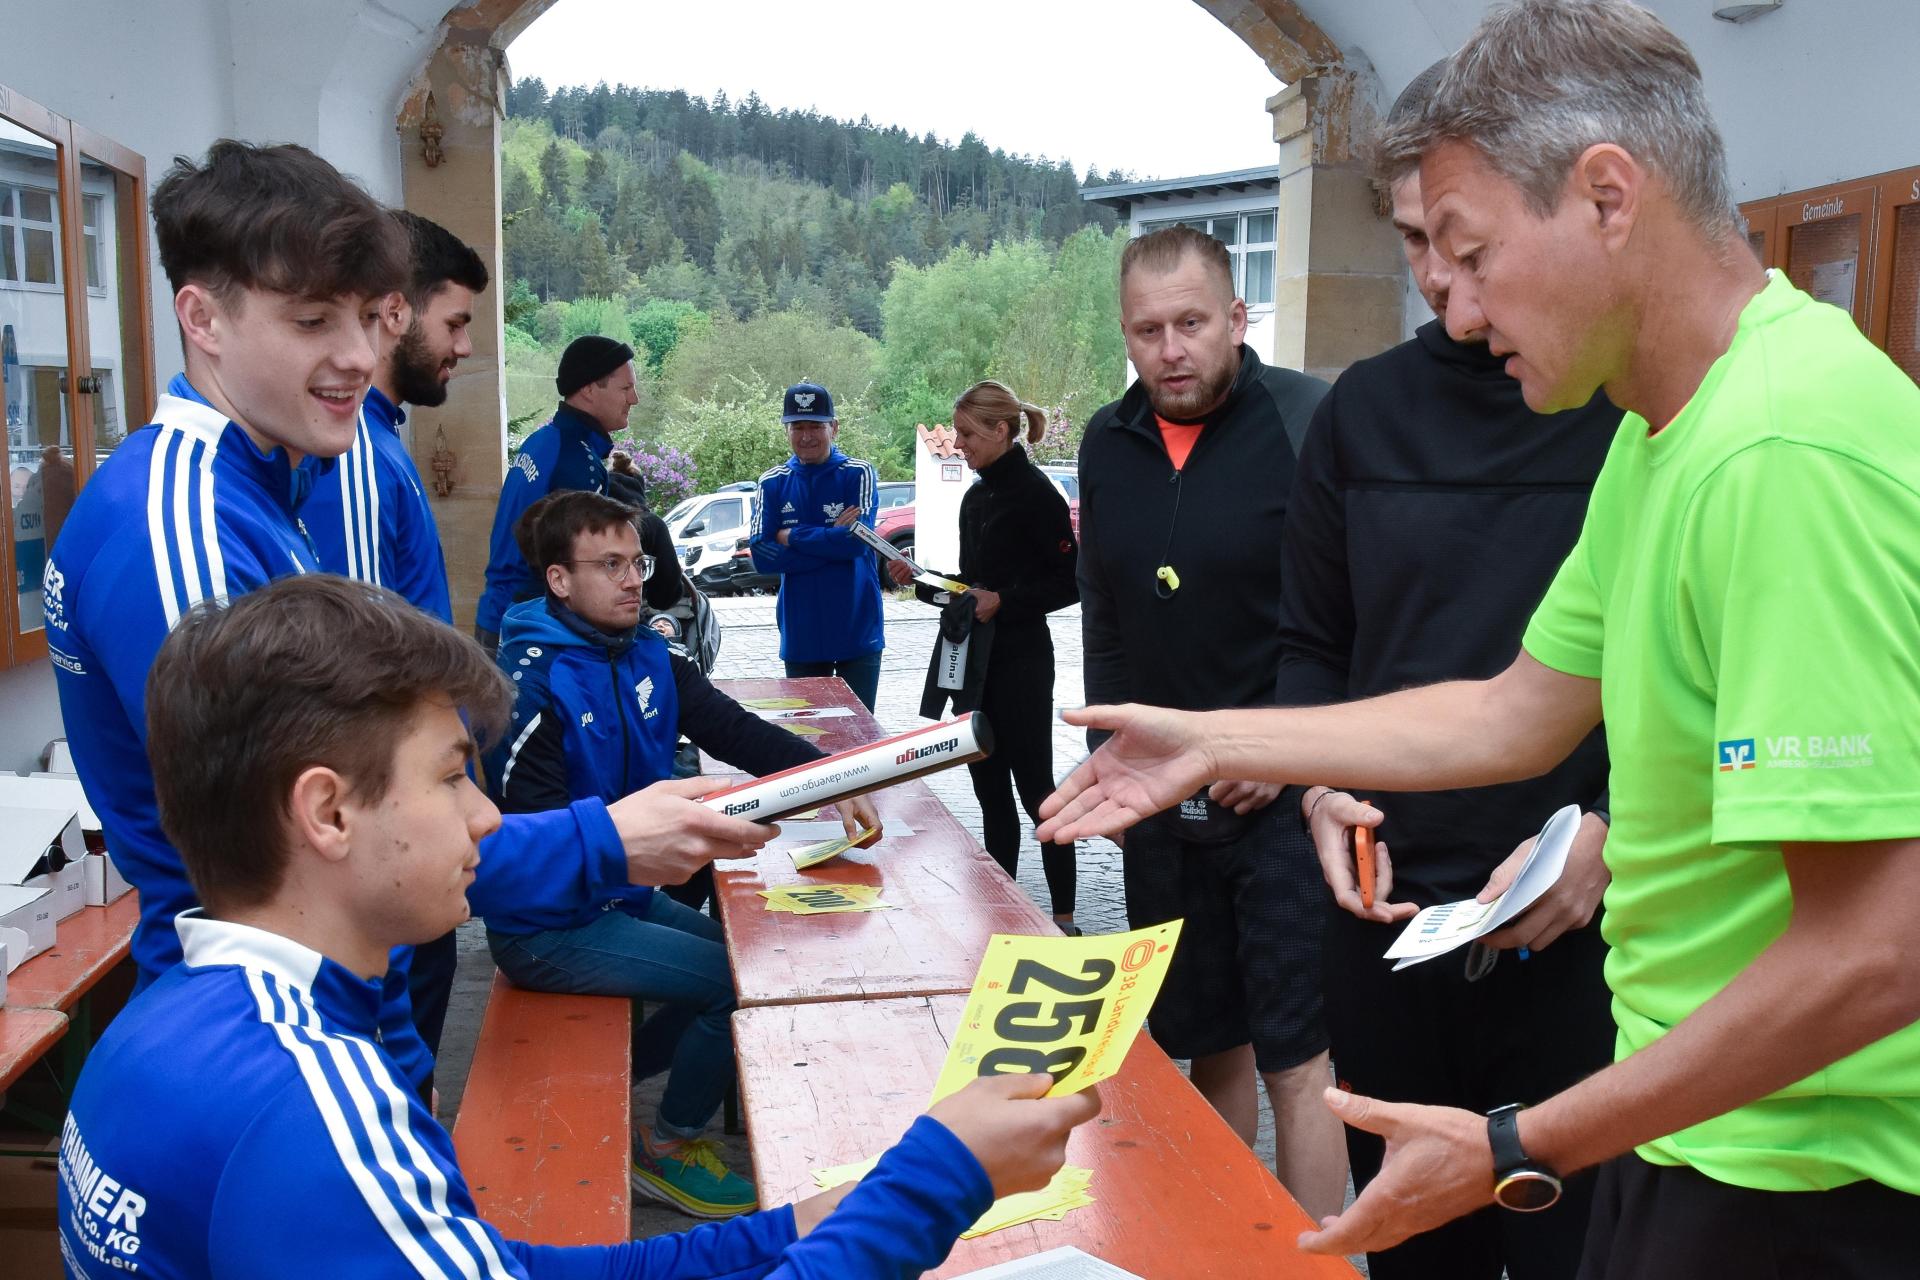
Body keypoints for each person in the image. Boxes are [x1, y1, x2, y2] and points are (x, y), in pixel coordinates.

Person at [1039, 3, 1920, 1274]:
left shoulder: (1780, 451)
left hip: (1805, 1175)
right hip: (1699, 1129)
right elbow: (1513, 709)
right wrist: (1221, 740)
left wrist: (1518, 1142)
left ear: (1606, 197)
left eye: (1469, 251)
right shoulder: (1665, 430)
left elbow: (1878, 949)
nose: (1451, 308)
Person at [58, 573, 1100, 1278]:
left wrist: (797, 1227)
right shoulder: (315, 1107)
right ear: (327, 813)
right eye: (452, 777)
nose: (486, 817)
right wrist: (937, 1180)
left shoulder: (159, 1028)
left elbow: (501, 1266)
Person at [44, 140, 775, 1109]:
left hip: (325, 1001)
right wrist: (599, 841)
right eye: (312, 320)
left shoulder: (267, 485)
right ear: (203, 318)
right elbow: (319, 838)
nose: (357, 354)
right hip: (270, 1037)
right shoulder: (186, 523)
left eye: (366, 317)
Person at [1273, 61, 1621, 1280]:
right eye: (1414, 241)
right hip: (1392, 921)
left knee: (1580, 1249)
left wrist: (1611, 828)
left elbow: (1689, 674)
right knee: (1420, 1254)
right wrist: (1318, 786)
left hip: (1579, 925)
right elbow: (1311, 642)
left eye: (1462, 244)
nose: (1436, 278)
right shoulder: (1361, 410)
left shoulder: (1623, 411)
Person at [483, 490, 882, 1218]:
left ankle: (621, 1089)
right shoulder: (528, 683)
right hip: (546, 926)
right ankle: (667, 1146)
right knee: (735, 986)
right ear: (559, 580)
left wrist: (834, 780)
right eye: (609, 566)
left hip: (618, 897)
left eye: (636, 562)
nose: (633, 580)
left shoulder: (647, 653)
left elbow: (735, 729)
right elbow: (529, 835)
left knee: (747, 967)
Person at [1073, 224, 1343, 1220]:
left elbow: (1349, 612)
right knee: (1205, 1041)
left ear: (1237, 317)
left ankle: (1314, 1266)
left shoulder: (1307, 421)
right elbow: (1104, 605)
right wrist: (1110, 748)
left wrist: (1282, 742)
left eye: (1191, 323)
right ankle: (1225, 1249)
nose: (1171, 350)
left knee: (1298, 1060)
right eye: (1148, 331)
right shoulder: (1107, 441)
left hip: (1279, 797)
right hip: (1161, 800)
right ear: (1126, 335)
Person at [299, 208, 487, 1063]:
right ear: (398, 312)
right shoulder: (357, 459)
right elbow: (363, 676)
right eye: (455, 323)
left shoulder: (379, 447)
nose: (464, 348)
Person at [892, 380, 1079, 930]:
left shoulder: (1038, 495)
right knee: (989, 792)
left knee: (1038, 792)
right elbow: (969, 587)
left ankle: (1065, 918)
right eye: (957, 434)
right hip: (975, 662)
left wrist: (1006, 601)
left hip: (1022, 662)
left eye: (968, 435)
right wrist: (920, 581)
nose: (959, 445)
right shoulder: (975, 498)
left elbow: (1071, 581)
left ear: (1001, 431)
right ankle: (1004, 913)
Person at [476, 334, 637, 650]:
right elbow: (583, 569)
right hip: (535, 627)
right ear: (588, 389)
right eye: (625, 388)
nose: (634, 399)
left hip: (499, 615)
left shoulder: (542, 440)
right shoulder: (577, 461)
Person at [749, 382, 885, 711]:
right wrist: (832, 540)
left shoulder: (859, 474)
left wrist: (792, 537)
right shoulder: (772, 482)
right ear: (786, 430)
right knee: (809, 734)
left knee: (859, 734)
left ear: (834, 428)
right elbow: (762, 557)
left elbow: (858, 543)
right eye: (797, 427)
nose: (806, 436)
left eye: (816, 426)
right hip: (801, 635)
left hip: (858, 629)